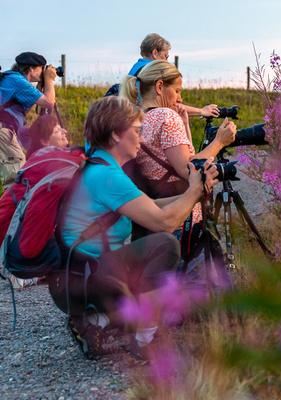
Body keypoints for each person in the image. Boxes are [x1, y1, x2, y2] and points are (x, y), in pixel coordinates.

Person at [47, 96, 219, 360]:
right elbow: (165, 222)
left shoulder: (100, 165)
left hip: (75, 278)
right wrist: (193, 191)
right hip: (83, 279)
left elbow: (149, 205)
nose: (142, 139)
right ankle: (146, 341)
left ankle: (95, 320)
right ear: (117, 134)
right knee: (164, 244)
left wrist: (193, 193)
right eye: (137, 131)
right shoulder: (108, 176)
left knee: (139, 302)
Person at [119, 60, 236, 230]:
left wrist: (185, 125)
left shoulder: (136, 118)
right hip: (180, 218)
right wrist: (220, 141)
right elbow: (187, 169)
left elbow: (186, 157)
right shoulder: (166, 116)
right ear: (159, 87)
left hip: (151, 212)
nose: (180, 99)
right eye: (177, 91)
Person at [128, 33, 220, 118]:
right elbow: (171, 105)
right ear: (155, 53)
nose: (167, 61)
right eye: (165, 56)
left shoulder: (135, 69)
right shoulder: (156, 73)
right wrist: (202, 111)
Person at [0, 52, 57, 188]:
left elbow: (20, 113)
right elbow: (49, 102)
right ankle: (14, 208)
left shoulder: (12, 78)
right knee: (17, 179)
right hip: (3, 132)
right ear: (31, 69)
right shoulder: (18, 81)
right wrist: (49, 81)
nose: (44, 72)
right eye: (42, 69)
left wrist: (39, 90)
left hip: (5, 130)